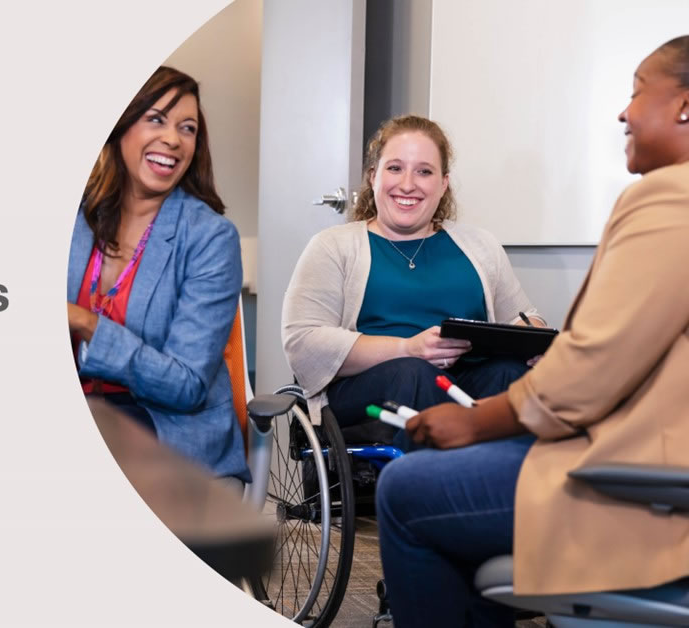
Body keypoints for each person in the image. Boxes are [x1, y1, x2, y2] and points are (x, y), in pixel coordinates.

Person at [376, 35, 689, 627]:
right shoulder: (336, 246)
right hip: (648, 456)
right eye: (395, 168)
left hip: (642, 482)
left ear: (684, 106)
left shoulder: (670, 197)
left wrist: (474, 419)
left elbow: (591, 369)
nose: (624, 111)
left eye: (637, 92)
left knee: (405, 490)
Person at [281, 115, 545, 441]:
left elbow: (522, 317)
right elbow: (303, 343)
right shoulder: (333, 247)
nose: (408, 184)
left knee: (512, 374)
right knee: (416, 374)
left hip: (463, 384)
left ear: (443, 183)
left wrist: (535, 339)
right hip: (377, 392)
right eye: (395, 168)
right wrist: (408, 347)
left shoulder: (481, 246)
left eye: (424, 171)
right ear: (373, 176)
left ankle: (503, 483)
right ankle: (438, 484)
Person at [67, 66, 248, 482]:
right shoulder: (75, 218)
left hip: (170, 431)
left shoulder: (210, 238)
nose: (173, 138)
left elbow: (185, 386)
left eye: (188, 128)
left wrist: (86, 322)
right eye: (156, 119)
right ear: (119, 127)